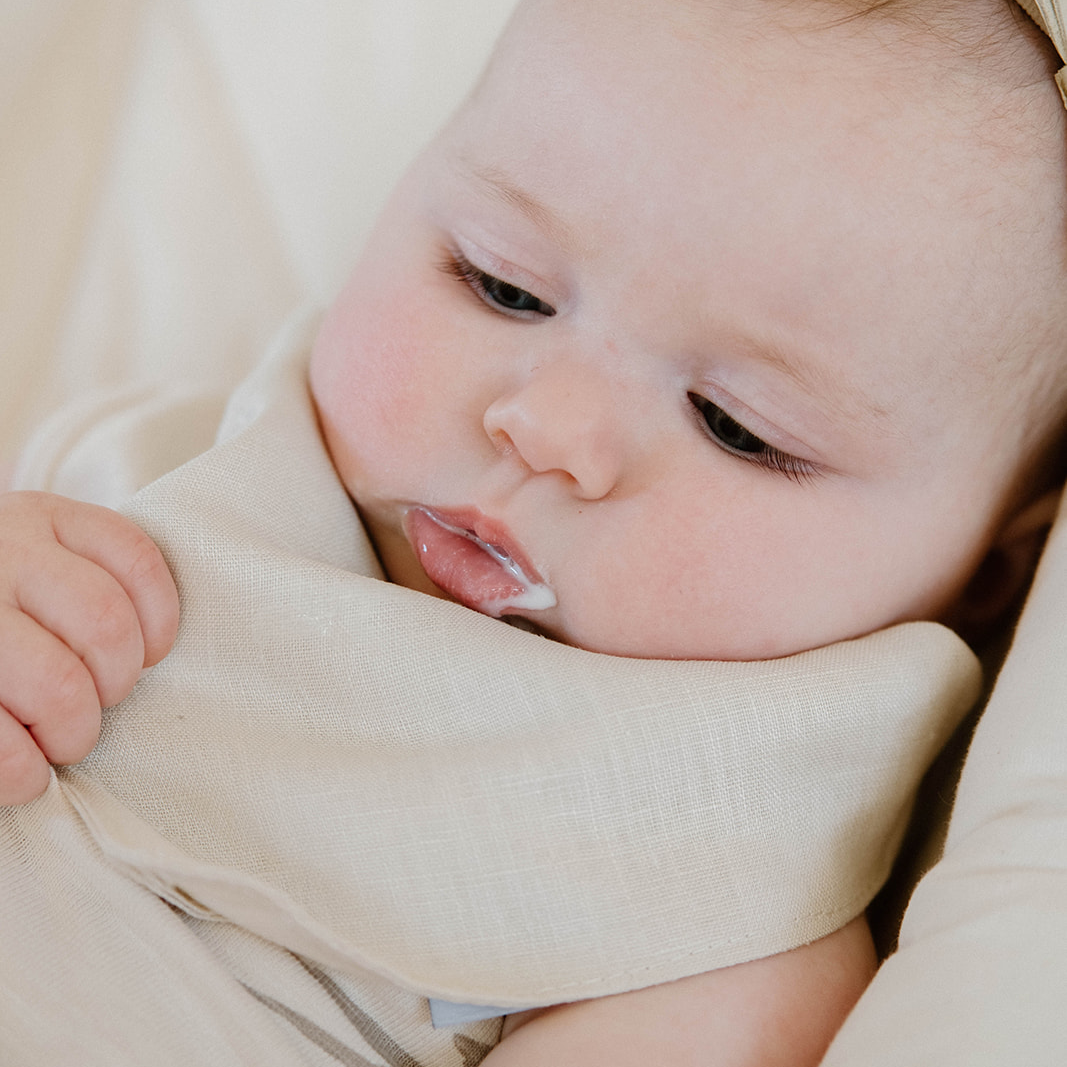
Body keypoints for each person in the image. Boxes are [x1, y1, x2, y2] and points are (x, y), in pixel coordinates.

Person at [1, 0, 1065, 1063]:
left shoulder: (714, 937)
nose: (544, 429)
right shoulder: (141, 485)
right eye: (501, 284)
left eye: (736, 427)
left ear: (992, 573)